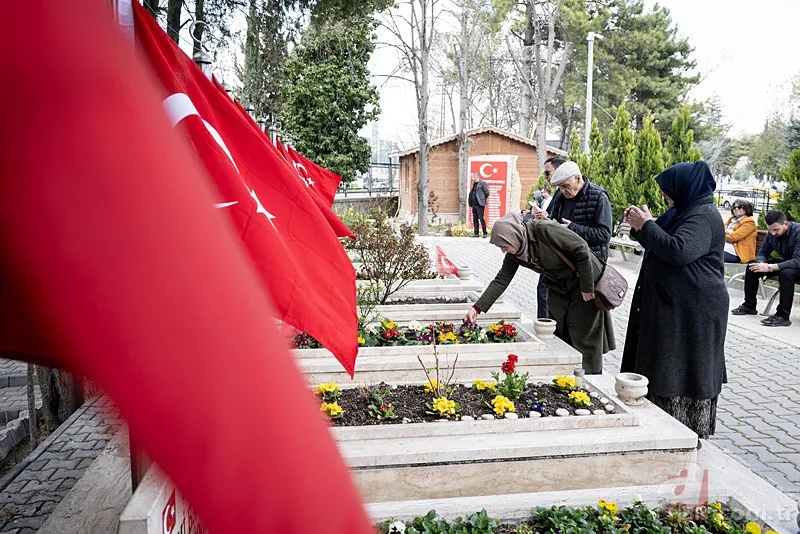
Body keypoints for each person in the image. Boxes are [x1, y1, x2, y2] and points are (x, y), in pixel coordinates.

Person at [621, 161, 728, 442]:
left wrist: (647, 226)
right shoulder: (686, 211)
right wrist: (643, 226)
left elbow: (679, 250)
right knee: (666, 366)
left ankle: (683, 434)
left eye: (668, 190)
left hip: (694, 311)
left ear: (685, 188)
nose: (666, 196)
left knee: (682, 371)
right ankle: (662, 429)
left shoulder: (702, 215)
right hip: (676, 306)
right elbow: (664, 240)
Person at [464, 212, 615, 374]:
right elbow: (501, 280)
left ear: (512, 236)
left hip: (584, 281)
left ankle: (591, 375)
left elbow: (581, 248)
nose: (503, 251)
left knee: (585, 333)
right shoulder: (515, 253)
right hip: (559, 287)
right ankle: (567, 372)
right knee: (559, 328)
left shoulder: (544, 229)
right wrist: (477, 308)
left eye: (503, 245)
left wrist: (587, 286)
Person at [533, 158, 612, 319]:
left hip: (590, 267)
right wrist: (546, 223)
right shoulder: (562, 198)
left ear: (577, 178)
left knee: (584, 317)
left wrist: (573, 229)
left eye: (565, 186)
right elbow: (556, 224)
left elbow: (604, 235)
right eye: (560, 187)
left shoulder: (598, 197)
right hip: (564, 266)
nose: (562, 191)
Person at [731, 210, 800, 326]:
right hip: (789, 262)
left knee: (786, 273)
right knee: (752, 267)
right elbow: (762, 253)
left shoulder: (798, 232)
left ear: (786, 224)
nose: (773, 233)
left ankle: (782, 316)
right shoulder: (771, 234)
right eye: (770, 230)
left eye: (776, 230)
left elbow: (798, 261)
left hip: (797, 264)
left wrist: (771, 267)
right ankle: (749, 306)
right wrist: (761, 264)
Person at [468, 171, 490, 238]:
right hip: (474, 204)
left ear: (476, 177)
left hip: (480, 205)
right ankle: (476, 233)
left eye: (472, 177)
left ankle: (484, 233)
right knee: (475, 219)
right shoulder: (474, 184)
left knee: (481, 218)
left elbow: (486, 192)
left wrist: (482, 199)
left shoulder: (482, 183)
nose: (471, 178)